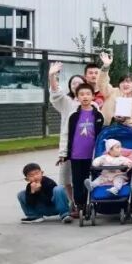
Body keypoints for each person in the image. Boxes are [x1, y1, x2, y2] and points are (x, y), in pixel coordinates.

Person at [48, 62, 82, 218]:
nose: (76, 85)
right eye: (73, 83)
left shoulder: (92, 104)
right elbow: (56, 92)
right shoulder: (67, 102)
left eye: (80, 83)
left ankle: (84, 203)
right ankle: (73, 202)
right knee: (67, 176)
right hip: (69, 146)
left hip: (86, 147)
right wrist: (52, 75)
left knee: (83, 177)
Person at [66, 84, 104, 217]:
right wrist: (65, 153)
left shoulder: (98, 115)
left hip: (92, 156)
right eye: (81, 94)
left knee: (92, 180)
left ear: (93, 96)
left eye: (88, 94)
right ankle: (80, 206)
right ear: (77, 97)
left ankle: (94, 203)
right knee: (77, 181)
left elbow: (100, 135)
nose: (85, 97)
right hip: (76, 155)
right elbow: (68, 134)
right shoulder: (73, 116)